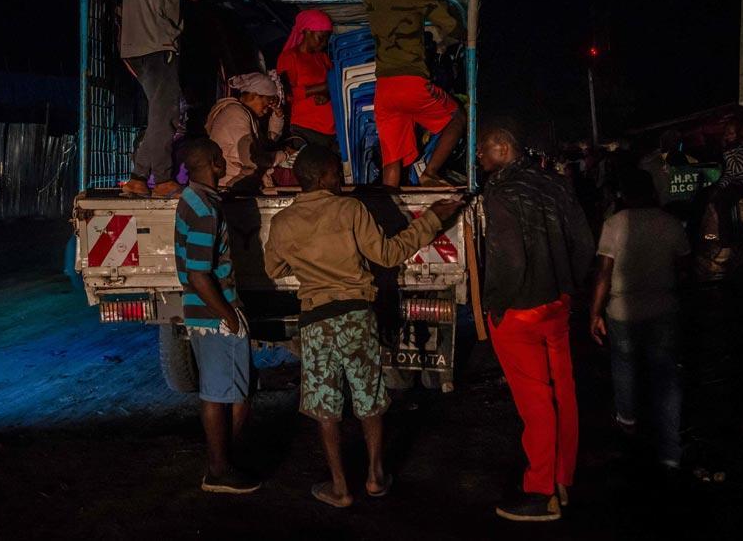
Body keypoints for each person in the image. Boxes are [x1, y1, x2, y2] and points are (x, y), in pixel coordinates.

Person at [264, 145, 463, 508]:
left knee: (326, 407)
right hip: (356, 316)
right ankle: (374, 476)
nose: (341, 179)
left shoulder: (283, 223)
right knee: (369, 399)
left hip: (316, 320)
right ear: (324, 177)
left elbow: (274, 269)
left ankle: (340, 487)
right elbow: (387, 255)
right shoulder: (351, 209)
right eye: (336, 174)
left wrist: (309, 267)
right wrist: (432, 219)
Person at [477, 124, 595, 522]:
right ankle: (563, 478)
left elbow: (509, 258)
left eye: (482, 151)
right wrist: (568, 288)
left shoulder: (500, 191)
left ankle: (541, 490)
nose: (479, 159)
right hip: (557, 305)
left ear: (503, 147)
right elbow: (585, 244)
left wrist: (496, 304)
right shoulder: (556, 183)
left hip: (520, 312)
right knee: (564, 391)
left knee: (536, 401)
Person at [173, 138, 260, 494]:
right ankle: (220, 469)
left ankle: (224, 462)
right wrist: (230, 315)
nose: (225, 162)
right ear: (212, 162)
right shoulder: (206, 209)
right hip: (215, 313)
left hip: (203, 312)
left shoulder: (191, 199)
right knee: (223, 394)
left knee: (226, 391)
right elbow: (198, 273)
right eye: (222, 158)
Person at [589, 168, 689, 469]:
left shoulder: (614, 224)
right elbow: (685, 270)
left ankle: (628, 424)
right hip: (664, 307)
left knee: (625, 366)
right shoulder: (671, 224)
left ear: (625, 194)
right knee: (666, 377)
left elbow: (604, 273)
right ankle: (671, 450)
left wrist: (594, 312)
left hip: (623, 310)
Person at [119, 0, 214, 198]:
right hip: (158, 45)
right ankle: (160, 180)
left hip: (135, 46)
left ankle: (137, 179)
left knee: (161, 116)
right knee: (167, 116)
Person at [364, 0, 465, 187]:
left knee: (392, 159)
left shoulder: (371, 0)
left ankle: (389, 205)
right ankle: (430, 172)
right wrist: (465, 34)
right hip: (412, 83)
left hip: (385, 90)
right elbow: (450, 25)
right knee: (459, 117)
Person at [205, 72, 290, 190]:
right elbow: (251, 158)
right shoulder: (235, 114)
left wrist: (277, 117)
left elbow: (268, 143)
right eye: (265, 106)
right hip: (231, 184)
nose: (266, 111)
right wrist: (284, 155)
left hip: (235, 182)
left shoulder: (244, 114)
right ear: (255, 95)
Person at [276, 10, 338, 153]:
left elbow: (332, 85)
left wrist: (327, 94)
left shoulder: (322, 57)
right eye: (320, 37)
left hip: (330, 130)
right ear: (308, 31)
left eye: (326, 38)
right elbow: (286, 95)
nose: (324, 43)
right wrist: (322, 88)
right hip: (305, 129)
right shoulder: (290, 57)